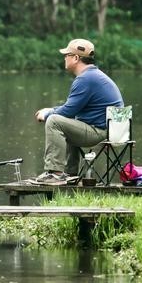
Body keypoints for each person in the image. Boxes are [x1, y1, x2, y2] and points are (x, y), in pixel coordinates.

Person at [32, 38, 124, 185]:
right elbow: (73, 108)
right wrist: (53, 109)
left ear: (76, 58)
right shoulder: (93, 76)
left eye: (67, 54)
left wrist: (48, 114)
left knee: (54, 121)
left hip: (100, 132)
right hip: (110, 130)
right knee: (66, 121)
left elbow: (68, 111)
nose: (64, 58)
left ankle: (55, 174)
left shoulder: (85, 79)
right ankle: (70, 173)